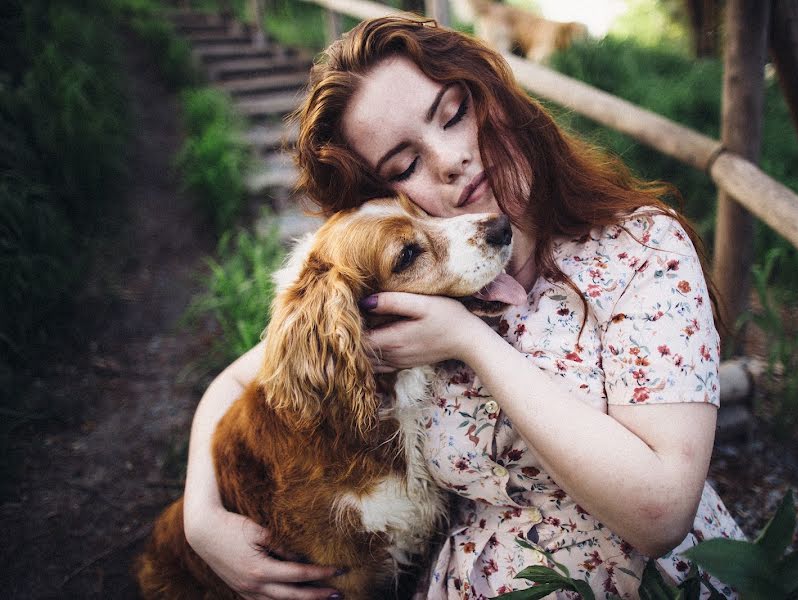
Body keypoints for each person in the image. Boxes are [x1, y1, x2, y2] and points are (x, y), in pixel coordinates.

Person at [182, 15, 745, 600]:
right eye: (404, 165)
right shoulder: (407, 293)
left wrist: (471, 343)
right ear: (389, 194)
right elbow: (245, 375)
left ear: (491, 91)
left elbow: (661, 515)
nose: (450, 159)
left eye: (453, 113)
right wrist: (201, 517)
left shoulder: (642, 251)